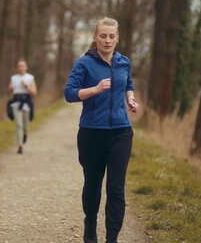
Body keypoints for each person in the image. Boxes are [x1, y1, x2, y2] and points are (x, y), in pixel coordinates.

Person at [63, 17, 138, 243]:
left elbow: (129, 85)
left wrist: (131, 99)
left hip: (121, 132)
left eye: (111, 36)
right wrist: (94, 90)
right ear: (95, 37)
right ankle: (90, 224)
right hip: (91, 133)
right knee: (93, 184)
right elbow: (69, 93)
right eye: (103, 36)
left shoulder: (124, 62)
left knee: (116, 189)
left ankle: (112, 238)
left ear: (117, 38)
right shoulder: (84, 63)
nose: (107, 40)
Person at [8, 59, 37, 154]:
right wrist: (11, 88)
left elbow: (34, 92)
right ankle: (20, 145)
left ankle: (25, 133)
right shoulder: (13, 78)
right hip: (16, 102)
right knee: (18, 124)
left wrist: (26, 86)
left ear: (26, 67)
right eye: (19, 66)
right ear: (16, 68)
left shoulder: (30, 78)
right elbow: (9, 90)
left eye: (23, 66)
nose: (21, 68)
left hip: (26, 102)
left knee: (25, 125)